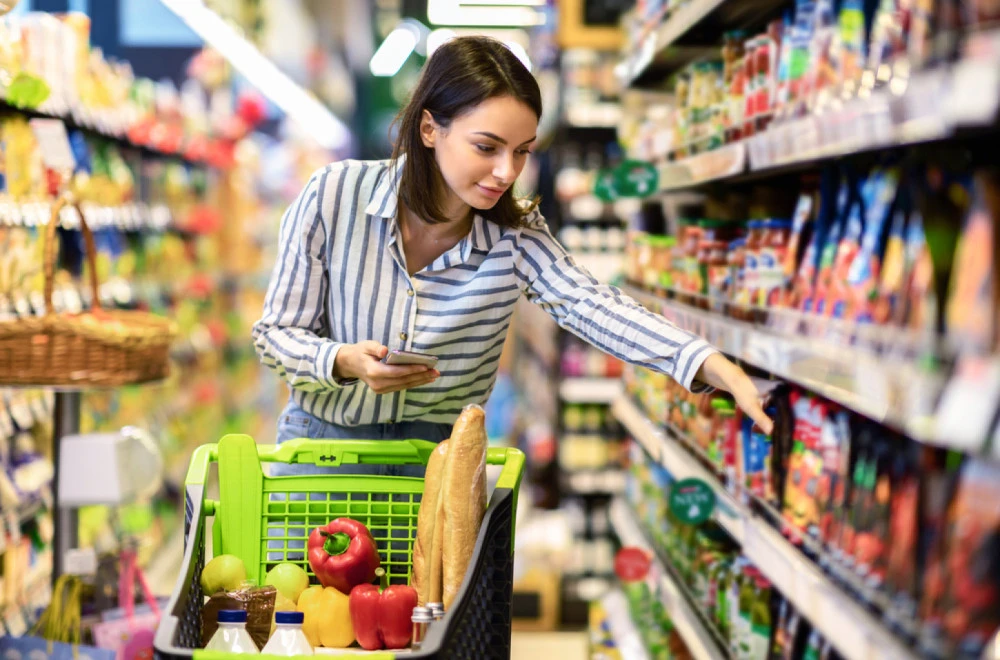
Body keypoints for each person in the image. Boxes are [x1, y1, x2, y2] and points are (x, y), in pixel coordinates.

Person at [252, 36, 772, 478]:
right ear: (430, 129)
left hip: (442, 467)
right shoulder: (334, 195)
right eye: (487, 147)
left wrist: (707, 363)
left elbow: (592, 305)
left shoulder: (516, 232)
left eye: (522, 150)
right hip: (322, 454)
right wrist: (341, 361)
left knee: (434, 602)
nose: (506, 171)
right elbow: (275, 333)